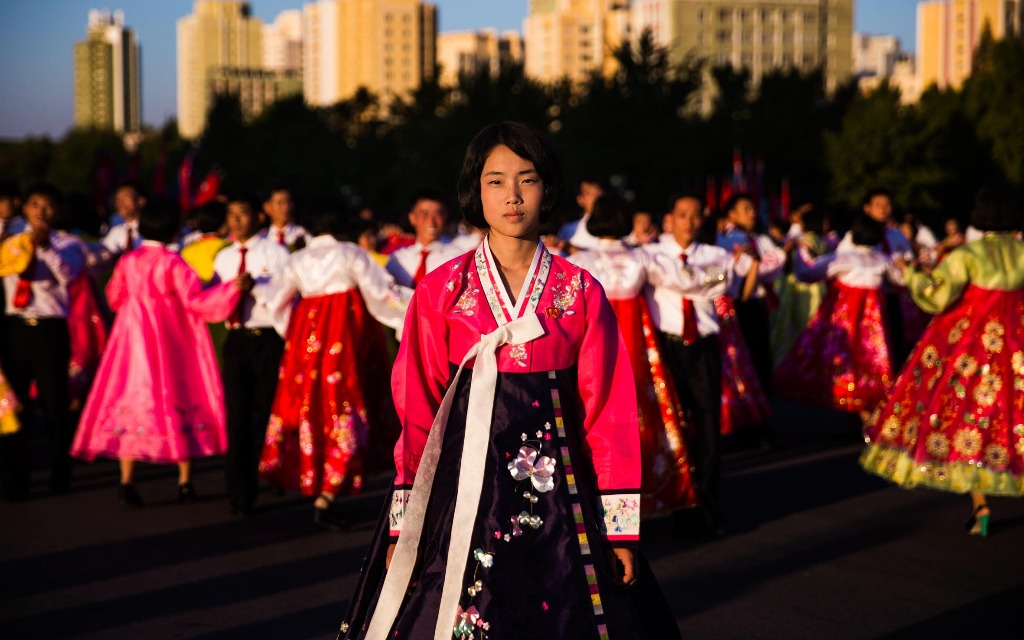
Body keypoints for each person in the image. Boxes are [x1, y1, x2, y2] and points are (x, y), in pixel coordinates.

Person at [340, 122, 679, 639]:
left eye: (528, 179)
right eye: (496, 180)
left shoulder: (581, 291)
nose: (513, 196)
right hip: (459, 494)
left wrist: (619, 529)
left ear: (549, 190)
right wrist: (404, 523)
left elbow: (608, 410)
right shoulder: (441, 290)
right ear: (476, 190)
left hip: (562, 500)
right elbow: (417, 409)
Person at [861, 186, 1024, 537]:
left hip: (974, 346)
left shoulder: (969, 254)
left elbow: (936, 295)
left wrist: (911, 274)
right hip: (1017, 342)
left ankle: (980, 505)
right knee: (1014, 417)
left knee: (966, 419)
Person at [70, 196, 245, 507]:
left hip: (131, 337)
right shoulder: (173, 262)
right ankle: (185, 479)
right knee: (177, 393)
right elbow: (196, 300)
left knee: (130, 396)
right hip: (168, 337)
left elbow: (114, 297)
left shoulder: (128, 260)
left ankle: (126, 479)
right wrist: (232, 289)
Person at [260, 206, 410, 527]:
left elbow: (275, 302)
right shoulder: (351, 254)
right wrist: (412, 307)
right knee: (345, 403)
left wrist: (295, 333)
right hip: (345, 337)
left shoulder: (296, 260)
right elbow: (381, 292)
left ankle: (321, 484)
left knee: (312, 406)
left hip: (307, 341)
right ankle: (329, 490)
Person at [568, 193, 697, 515]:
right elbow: (683, 282)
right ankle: (639, 495)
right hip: (633, 342)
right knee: (638, 411)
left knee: (590, 410)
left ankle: (592, 496)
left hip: (591, 342)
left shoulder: (579, 262)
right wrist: (720, 276)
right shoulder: (641, 258)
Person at [645, 193, 733, 536]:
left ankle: (707, 507)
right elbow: (702, 283)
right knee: (673, 428)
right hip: (668, 346)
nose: (689, 221)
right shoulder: (650, 252)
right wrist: (698, 280)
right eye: (682, 215)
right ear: (670, 218)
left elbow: (720, 284)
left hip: (703, 346)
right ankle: (679, 504)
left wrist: (682, 277)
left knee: (708, 426)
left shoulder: (716, 253)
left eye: (696, 215)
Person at [0, 184, 86, 500]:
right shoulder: (11, 240)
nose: (40, 211)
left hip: (49, 330)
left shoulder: (69, 245)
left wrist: (46, 247)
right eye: (34, 204)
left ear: (57, 211)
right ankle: (14, 480)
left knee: (54, 405)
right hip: (15, 328)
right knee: (13, 406)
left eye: (48, 206)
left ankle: (60, 471)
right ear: (24, 208)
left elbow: (68, 275)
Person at [774, 214, 903, 423]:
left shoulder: (844, 258)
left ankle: (857, 411)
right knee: (870, 363)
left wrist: (802, 251)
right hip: (874, 322)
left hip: (845, 318)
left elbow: (809, 273)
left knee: (842, 361)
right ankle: (869, 413)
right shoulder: (881, 259)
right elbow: (900, 280)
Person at [212, 195, 291, 516]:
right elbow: (214, 295)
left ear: (257, 216)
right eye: (231, 214)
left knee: (272, 412)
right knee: (237, 415)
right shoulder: (225, 257)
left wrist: (256, 286)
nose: (236, 220)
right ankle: (240, 490)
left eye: (242, 213)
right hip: (237, 339)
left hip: (267, 338)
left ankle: (277, 472)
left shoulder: (275, 251)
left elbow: (288, 292)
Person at [717, 193, 785, 395]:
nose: (752, 213)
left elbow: (775, 266)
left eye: (752, 208)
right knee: (744, 354)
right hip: (738, 303)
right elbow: (745, 270)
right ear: (732, 214)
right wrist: (763, 263)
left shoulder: (761, 239)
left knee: (761, 351)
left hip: (759, 301)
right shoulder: (727, 241)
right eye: (745, 209)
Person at [385, 188, 459, 288]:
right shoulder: (397, 259)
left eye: (437, 214)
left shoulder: (458, 259)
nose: (431, 221)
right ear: (412, 218)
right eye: (424, 214)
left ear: (445, 216)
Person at [257, 184, 311, 251]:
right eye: (280, 203)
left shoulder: (302, 234)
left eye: (289, 202)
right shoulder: (262, 237)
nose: (286, 207)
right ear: (267, 207)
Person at [557, 176, 604, 252]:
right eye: (588, 193)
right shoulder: (569, 230)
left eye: (598, 191)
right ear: (580, 200)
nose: (595, 197)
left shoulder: (620, 227)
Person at [100, 181, 145, 256]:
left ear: (141, 201)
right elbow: (104, 249)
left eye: (126, 197)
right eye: (118, 199)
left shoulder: (150, 230)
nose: (120, 202)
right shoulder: (116, 231)